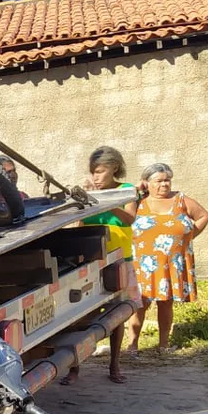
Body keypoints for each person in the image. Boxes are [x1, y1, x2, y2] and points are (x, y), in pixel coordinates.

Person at [61, 146, 136, 386]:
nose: (96, 177)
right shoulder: (88, 191)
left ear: (114, 168)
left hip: (119, 260)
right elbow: (78, 224)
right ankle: (74, 368)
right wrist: (83, 201)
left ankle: (114, 365)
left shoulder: (126, 191)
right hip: (90, 260)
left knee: (116, 314)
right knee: (80, 316)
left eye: (100, 171)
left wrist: (104, 201)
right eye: (93, 172)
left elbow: (129, 218)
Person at [127, 162, 208, 353]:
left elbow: (204, 216)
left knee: (166, 304)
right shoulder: (138, 202)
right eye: (159, 181)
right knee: (139, 304)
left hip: (170, 263)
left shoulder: (181, 200)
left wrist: (187, 237)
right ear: (147, 183)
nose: (164, 185)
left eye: (167, 180)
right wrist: (135, 190)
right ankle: (132, 345)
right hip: (143, 264)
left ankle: (163, 345)